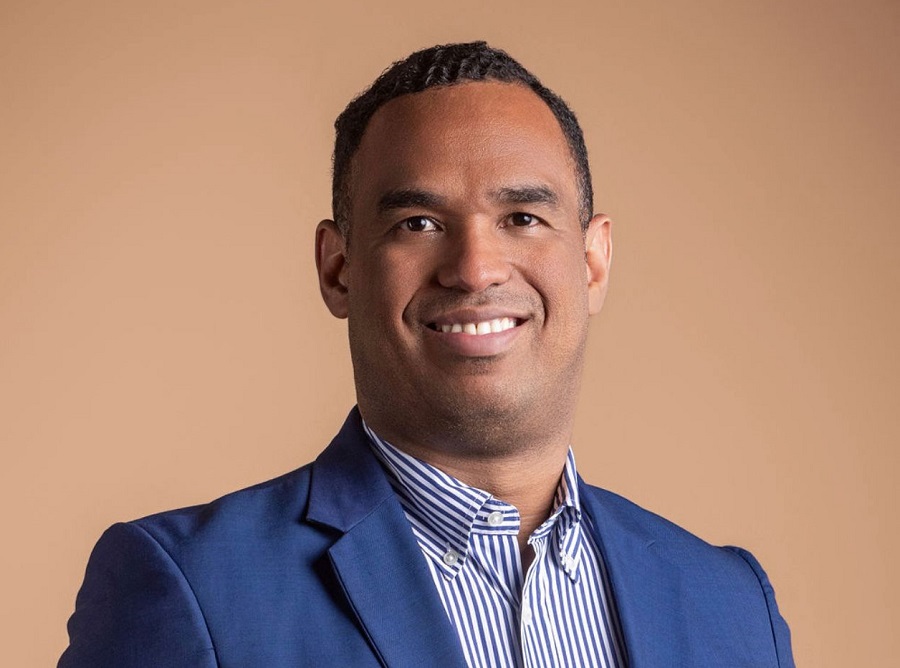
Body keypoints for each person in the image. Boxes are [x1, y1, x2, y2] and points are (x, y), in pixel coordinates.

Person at [59, 42, 794, 667]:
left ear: (594, 261)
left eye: (522, 217)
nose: (474, 269)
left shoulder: (732, 606)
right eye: (417, 222)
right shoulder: (190, 587)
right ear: (338, 270)